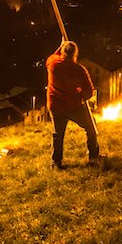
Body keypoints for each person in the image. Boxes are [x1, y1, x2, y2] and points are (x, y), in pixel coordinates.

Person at [46, 40, 101, 169]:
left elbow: (54, 55)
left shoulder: (52, 64)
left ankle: (56, 162)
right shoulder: (79, 70)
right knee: (90, 127)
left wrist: (61, 46)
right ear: (75, 55)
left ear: (62, 52)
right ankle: (93, 156)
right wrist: (79, 91)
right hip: (73, 106)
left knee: (57, 134)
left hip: (55, 105)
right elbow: (88, 94)